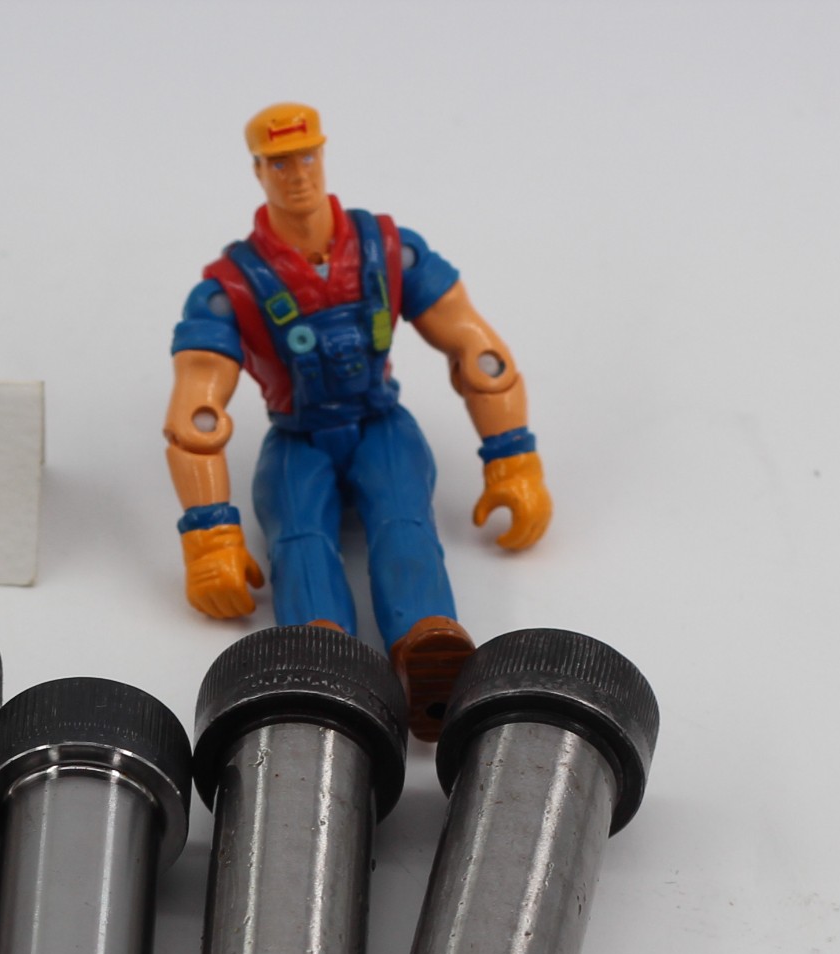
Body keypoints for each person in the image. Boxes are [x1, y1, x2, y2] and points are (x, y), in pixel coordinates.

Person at [165, 102, 552, 738]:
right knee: (299, 539)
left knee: (404, 523)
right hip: (298, 438)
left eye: (307, 156)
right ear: (258, 170)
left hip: (380, 424)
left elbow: (478, 352)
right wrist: (209, 537)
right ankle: (322, 659)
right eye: (280, 163)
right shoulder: (230, 287)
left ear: (323, 155)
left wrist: (513, 457)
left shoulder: (388, 252)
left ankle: (427, 646)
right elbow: (196, 415)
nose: (298, 175)